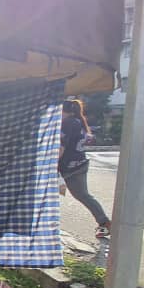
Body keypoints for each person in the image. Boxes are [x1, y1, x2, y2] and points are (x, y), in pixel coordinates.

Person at [58, 99, 111, 239]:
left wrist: (50, 165)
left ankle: (104, 222)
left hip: (70, 167)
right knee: (83, 196)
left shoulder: (67, 123)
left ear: (62, 111)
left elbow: (60, 148)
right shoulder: (77, 121)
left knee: (80, 195)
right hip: (79, 164)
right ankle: (104, 222)